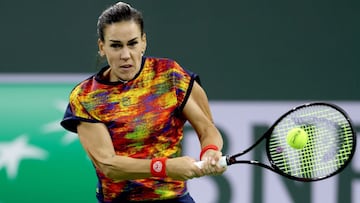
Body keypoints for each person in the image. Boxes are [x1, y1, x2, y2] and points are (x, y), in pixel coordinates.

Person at [60, 2, 226, 203]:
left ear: (143, 42)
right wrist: (165, 167)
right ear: (102, 47)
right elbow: (108, 165)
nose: (125, 55)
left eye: (132, 43)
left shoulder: (169, 75)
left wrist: (210, 151)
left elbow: (207, 128)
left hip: (174, 199)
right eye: (115, 45)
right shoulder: (86, 97)